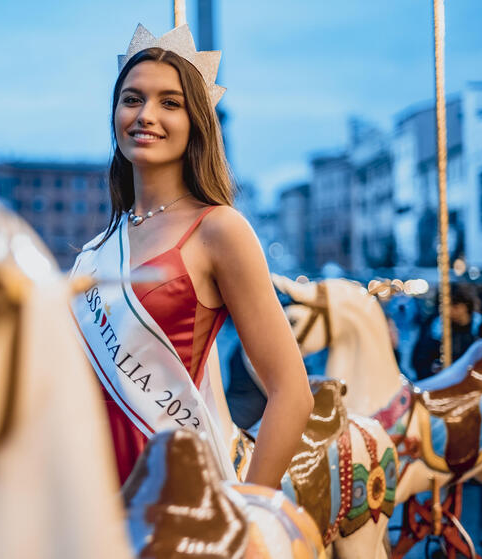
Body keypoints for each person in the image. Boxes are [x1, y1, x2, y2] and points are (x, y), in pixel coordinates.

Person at [71, 25, 313, 488]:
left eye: (170, 102)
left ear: (196, 121)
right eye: (132, 99)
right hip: (89, 500)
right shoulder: (99, 249)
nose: (145, 115)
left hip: (174, 504)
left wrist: (249, 515)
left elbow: (292, 394)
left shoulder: (219, 230)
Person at [410, 284, 480, 380]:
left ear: (465, 306)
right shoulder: (437, 327)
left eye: (455, 306)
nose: (449, 311)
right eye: (447, 306)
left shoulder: (480, 327)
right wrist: (433, 369)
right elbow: (421, 357)